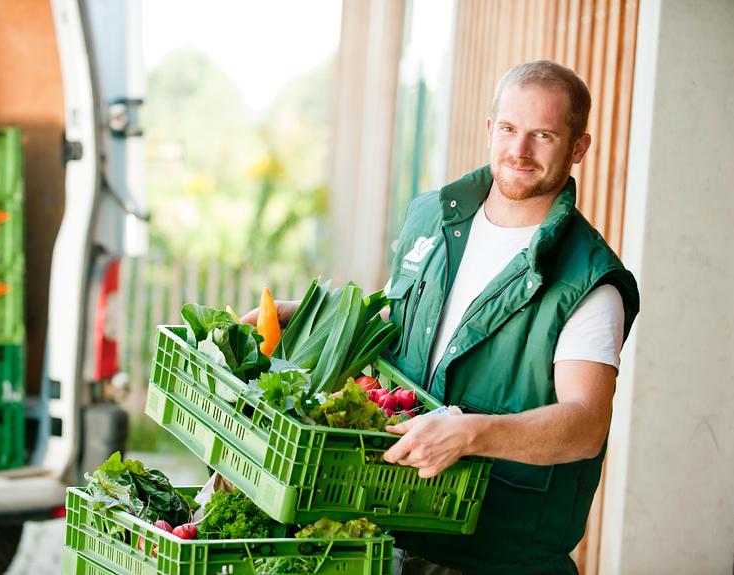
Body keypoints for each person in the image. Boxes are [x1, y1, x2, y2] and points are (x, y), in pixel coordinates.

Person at [243, 60, 639, 575]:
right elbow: (391, 319)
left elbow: (585, 424)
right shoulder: (433, 217)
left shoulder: (587, 280)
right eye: (509, 129)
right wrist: (298, 318)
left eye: (542, 135)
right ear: (490, 129)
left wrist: (472, 434)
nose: (519, 151)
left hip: (494, 556)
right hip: (388, 529)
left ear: (577, 148)